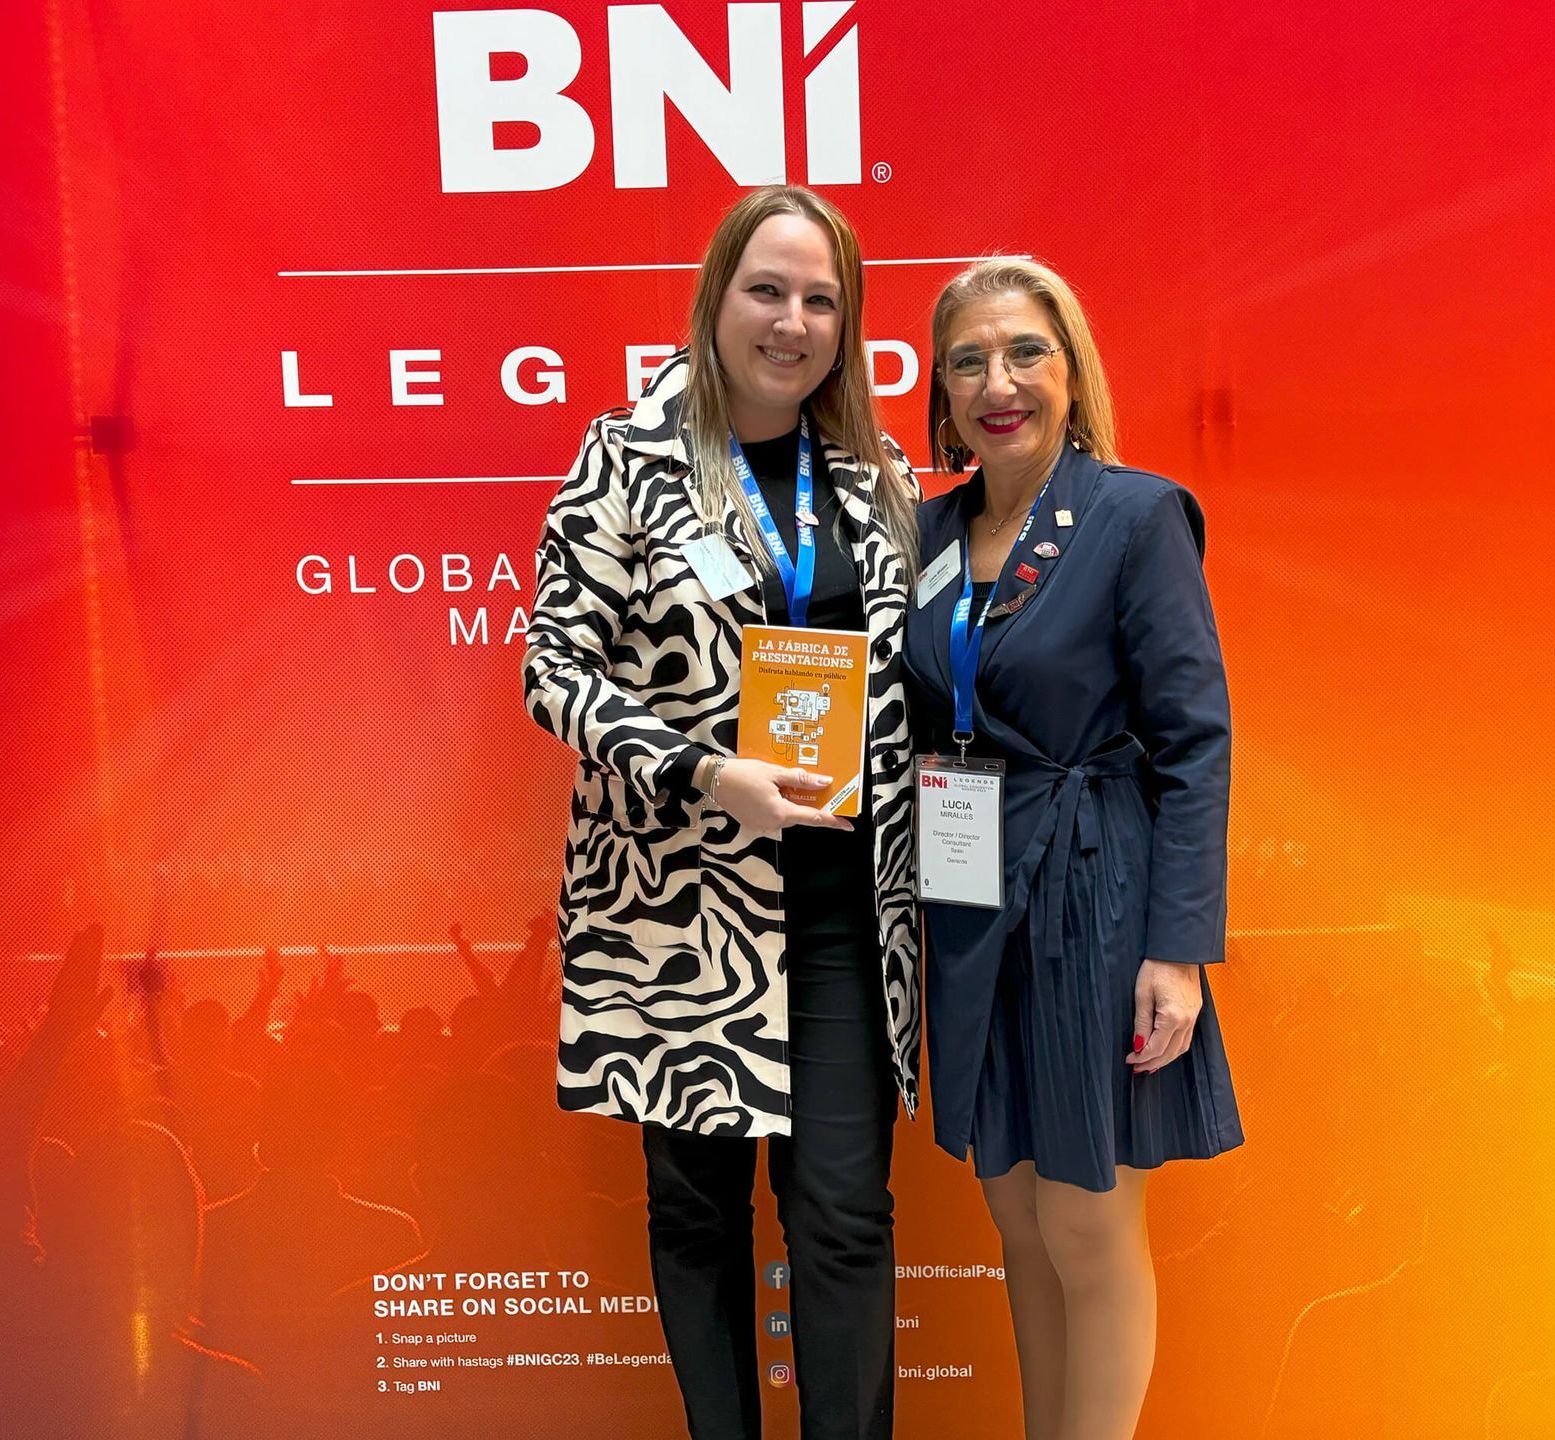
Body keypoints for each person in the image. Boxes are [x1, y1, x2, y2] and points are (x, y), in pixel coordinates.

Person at [522, 184, 921, 1440]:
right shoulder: (625, 456)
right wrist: (703, 770)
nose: (791, 320)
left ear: (844, 323)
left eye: (820, 298)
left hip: (847, 905)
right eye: (768, 289)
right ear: (716, 300)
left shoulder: (874, 474)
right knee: (698, 1219)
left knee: (844, 1220)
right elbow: (551, 665)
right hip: (682, 907)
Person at [904, 258, 1244, 1440]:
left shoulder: (1134, 515)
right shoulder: (932, 530)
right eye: (968, 361)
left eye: (1025, 353)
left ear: (1070, 368)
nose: (999, 383)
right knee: (1016, 1216)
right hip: (967, 895)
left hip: (1096, 894)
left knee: (1089, 1223)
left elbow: (1197, 739)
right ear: (941, 393)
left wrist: (1178, 951)